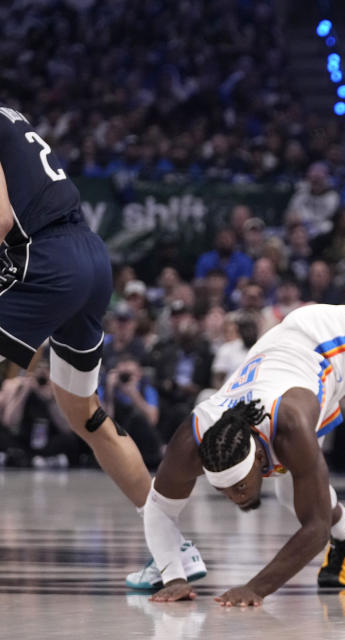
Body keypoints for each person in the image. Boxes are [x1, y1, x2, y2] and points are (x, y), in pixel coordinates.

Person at [137, 295, 345, 606]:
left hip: (330, 343)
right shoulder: (191, 441)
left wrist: (255, 588)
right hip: (277, 357)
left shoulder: (290, 427)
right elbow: (158, 509)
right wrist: (174, 577)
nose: (234, 497)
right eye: (222, 489)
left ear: (260, 458)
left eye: (239, 486)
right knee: (289, 495)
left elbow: (316, 529)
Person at [0, 106, 170, 519]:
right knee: (88, 417)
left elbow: (3, 219)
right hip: (90, 256)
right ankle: (172, 548)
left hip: (45, 259)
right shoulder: (10, 115)